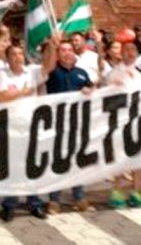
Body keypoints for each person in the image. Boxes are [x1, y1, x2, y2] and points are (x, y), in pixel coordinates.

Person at [0, 40, 57, 221]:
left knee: (32, 166)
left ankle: (34, 203)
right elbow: (2, 97)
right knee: (13, 167)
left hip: (32, 126)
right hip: (11, 127)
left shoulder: (32, 72)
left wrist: (52, 45)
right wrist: (24, 92)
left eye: (20, 54)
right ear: (7, 59)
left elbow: (49, 66)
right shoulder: (2, 74)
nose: (18, 57)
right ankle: (9, 204)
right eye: (13, 54)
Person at [45, 40, 94, 214]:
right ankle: (54, 200)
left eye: (69, 50)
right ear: (58, 54)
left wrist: (90, 90)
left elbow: (92, 89)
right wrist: (52, 45)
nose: (67, 53)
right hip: (56, 123)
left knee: (77, 161)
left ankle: (79, 197)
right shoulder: (51, 72)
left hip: (77, 123)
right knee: (57, 162)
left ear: (74, 52)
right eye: (63, 50)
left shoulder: (81, 73)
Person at [107, 42, 141, 208]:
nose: (130, 52)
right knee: (120, 155)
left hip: (140, 118)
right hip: (121, 119)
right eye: (126, 50)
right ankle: (117, 190)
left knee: (139, 157)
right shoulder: (115, 71)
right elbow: (110, 90)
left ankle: (136, 191)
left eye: (133, 49)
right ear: (122, 53)